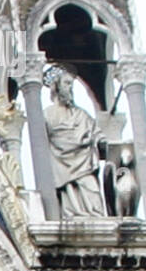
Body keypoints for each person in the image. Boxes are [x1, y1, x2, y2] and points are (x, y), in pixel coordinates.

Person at [43, 68, 107, 217]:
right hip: (61, 164)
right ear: (56, 86)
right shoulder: (47, 114)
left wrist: (101, 141)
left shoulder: (81, 114)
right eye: (66, 83)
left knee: (93, 193)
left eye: (71, 84)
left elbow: (95, 132)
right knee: (70, 195)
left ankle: (94, 214)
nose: (70, 87)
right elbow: (41, 145)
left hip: (84, 164)